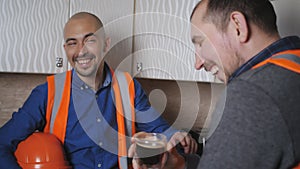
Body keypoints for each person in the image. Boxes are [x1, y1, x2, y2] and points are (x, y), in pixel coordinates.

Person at [0, 12, 198, 169]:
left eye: (90, 40)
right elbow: (2, 143)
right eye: (72, 43)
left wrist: (175, 135)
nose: (81, 51)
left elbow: (157, 128)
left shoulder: (128, 87)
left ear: (106, 44)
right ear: (65, 49)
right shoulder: (47, 93)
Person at [130, 0, 300, 168]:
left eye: (200, 42)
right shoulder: (293, 66)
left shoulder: (251, 93)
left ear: (238, 26)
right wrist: (180, 164)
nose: (197, 63)